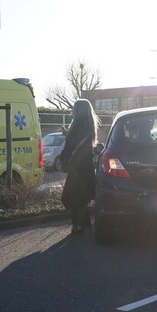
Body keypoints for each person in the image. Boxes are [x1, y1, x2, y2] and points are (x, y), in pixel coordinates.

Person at [58, 99, 98, 234]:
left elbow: (71, 144)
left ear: (78, 110)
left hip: (78, 168)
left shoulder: (78, 125)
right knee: (79, 197)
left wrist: (63, 157)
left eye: (74, 108)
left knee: (72, 197)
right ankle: (80, 223)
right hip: (86, 166)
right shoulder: (88, 125)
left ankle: (80, 224)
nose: (72, 111)